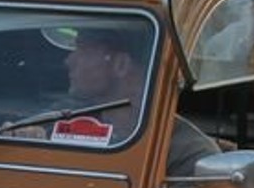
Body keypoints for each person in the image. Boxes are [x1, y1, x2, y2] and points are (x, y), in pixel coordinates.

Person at [63, 26, 220, 178]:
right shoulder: (65, 119)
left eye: (84, 51)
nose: (69, 61)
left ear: (121, 64)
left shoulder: (189, 154)